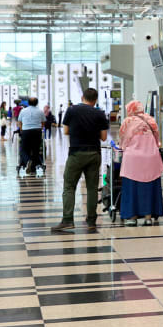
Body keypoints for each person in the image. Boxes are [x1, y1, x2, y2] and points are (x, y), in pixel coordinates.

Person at [52, 88, 109, 233]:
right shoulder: (100, 113)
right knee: (91, 188)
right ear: (95, 100)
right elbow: (103, 137)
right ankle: (91, 221)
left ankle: (67, 220)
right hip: (94, 153)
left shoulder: (72, 110)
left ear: (82, 97)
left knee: (69, 187)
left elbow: (65, 131)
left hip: (76, 153)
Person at [118, 100, 163, 226]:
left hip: (133, 160)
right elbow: (157, 141)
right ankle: (148, 217)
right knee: (149, 187)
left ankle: (132, 217)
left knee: (132, 188)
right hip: (151, 158)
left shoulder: (127, 121)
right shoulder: (151, 121)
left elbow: (122, 140)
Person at [18, 97, 46, 175]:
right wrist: (40, 129)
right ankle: (33, 167)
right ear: (37, 103)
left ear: (28, 103)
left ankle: (27, 161)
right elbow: (43, 123)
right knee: (35, 150)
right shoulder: (40, 111)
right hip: (37, 132)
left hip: (26, 131)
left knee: (23, 149)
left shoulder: (23, 111)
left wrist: (21, 130)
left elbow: (19, 122)